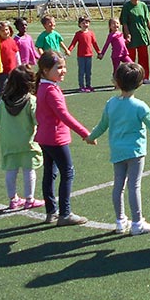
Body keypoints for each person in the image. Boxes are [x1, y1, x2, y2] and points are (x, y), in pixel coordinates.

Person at [88, 62, 150, 235]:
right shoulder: (139, 106)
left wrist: (91, 137)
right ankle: (137, 223)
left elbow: (102, 125)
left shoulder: (111, 103)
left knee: (118, 186)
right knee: (134, 186)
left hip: (117, 151)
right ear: (139, 83)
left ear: (117, 82)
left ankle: (120, 221)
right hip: (135, 152)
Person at [34, 51, 96, 225]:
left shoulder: (44, 86)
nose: (63, 71)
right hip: (54, 138)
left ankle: (51, 212)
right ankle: (65, 213)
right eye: (59, 67)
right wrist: (85, 133)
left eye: (64, 67)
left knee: (50, 173)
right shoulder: (51, 90)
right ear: (45, 70)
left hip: (44, 137)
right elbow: (64, 115)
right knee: (67, 173)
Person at [0, 64, 45, 211]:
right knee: (29, 170)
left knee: (11, 171)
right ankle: (29, 199)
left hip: (8, 142)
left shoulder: (3, 101)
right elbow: (38, 119)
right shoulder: (31, 100)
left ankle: (13, 199)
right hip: (27, 142)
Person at [120, 0, 150, 81]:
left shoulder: (143, 5)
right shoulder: (126, 7)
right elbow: (124, 22)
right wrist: (127, 35)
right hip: (131, 38)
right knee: (130, 59)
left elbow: (147, 20)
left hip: (142, 36)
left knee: (144, 58)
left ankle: (144, 77)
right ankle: (130, 79)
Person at [67, 16, 101, 92]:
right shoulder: (78, 34)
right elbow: (73, 43)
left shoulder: (91, 33)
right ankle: (81, 86)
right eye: (83, 23)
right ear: (79, 24)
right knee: (81, 72)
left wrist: (98, 52)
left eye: (87, 22)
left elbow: (94, 43)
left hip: (89, 56)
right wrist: (69, 50)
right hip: (81, 56)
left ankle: (88, 85)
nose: (85, 24)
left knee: (88, 72)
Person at [0, 21, 19, 100]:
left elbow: (16, 53)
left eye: (6, 29)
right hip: (3, 71)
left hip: (13, 69)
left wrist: (19, 65)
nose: (5, 32)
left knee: (14, 87)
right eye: (2, 30)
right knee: (3, 88)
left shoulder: (12, 41)